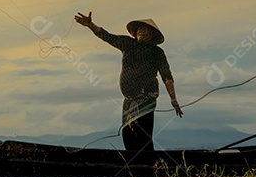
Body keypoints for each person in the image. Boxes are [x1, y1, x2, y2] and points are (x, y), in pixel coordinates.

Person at [75, 12, 182, 152]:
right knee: (127, 135)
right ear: (135, 33)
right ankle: (134, 166)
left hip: (147, 97)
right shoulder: (127, 44)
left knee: (143, 136)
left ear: (152, 35)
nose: (143, 33)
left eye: (146, 31)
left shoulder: (157, 53)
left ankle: (147, 165)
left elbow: (167, 77)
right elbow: (107, 36)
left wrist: (173, 99)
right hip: (129, 100)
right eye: (140, 30)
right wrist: (90, 25)